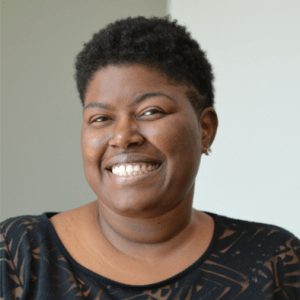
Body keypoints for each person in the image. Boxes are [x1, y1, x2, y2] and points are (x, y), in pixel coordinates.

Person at [1, 16, 299, 299]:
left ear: (205, 129)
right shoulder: (17, 255)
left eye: (150, 112)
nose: (122, 136)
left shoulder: (274, 261)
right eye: (101, 118)